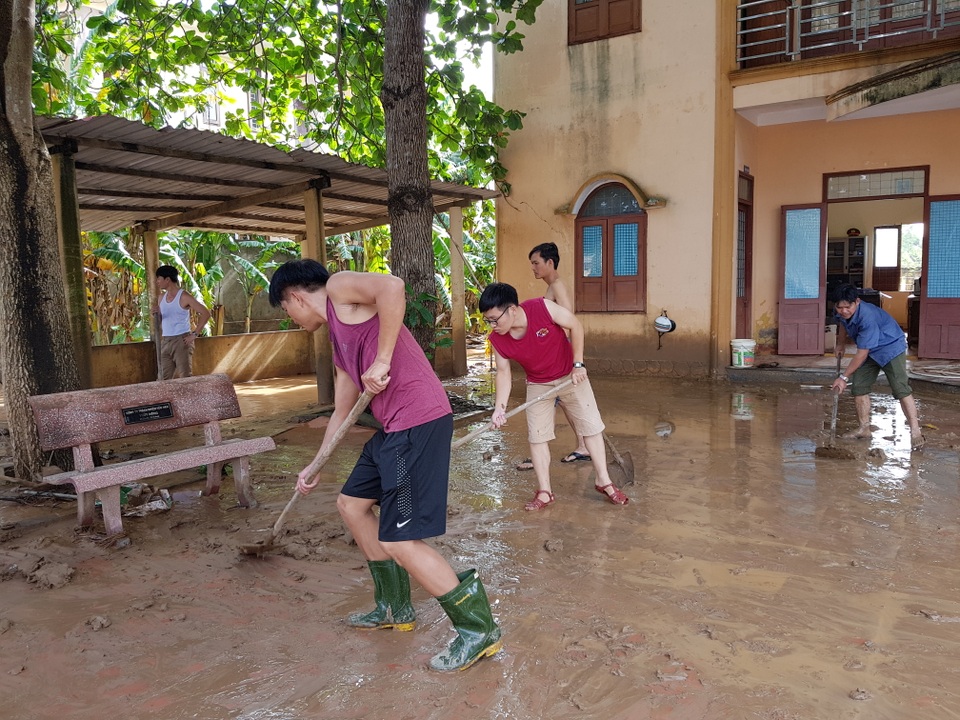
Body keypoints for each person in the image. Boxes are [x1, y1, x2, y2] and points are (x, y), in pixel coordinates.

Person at [268, 259, 502, 672]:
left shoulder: (340, 288)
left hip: (419, 421)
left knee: (400, 540)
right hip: (392, 430)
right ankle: (394, 608)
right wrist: (316, 463)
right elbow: (342, 412)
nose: (290, 316)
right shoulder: (339, 345)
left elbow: (393, 287)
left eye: (285, 309)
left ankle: (478, 631)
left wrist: (384, 358)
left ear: (296, 297)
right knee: (351, 504)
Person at [479, 282, 629, 510]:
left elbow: (576, 326)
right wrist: (499, 408)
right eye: (487, 320)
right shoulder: (498, 339)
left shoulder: (542, 308)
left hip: (571, 376)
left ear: (511, 309)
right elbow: (503, 373)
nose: (492, 325)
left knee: (591, 427)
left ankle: (603, 480)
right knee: (537, 436)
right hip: (538, 385)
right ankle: (545, 492)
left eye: (493, 319)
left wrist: (578, 364)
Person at [830, 283, 924, 449]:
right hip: (870, 349)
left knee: (900, 388)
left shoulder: (868, 317)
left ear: (857, 302)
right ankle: (864, 429)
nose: (844, 311)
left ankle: (915, 431)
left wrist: (843, 378)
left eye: (848, 307)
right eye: (840, 307)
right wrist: (840, 344)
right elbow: (842, 323)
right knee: (859, 387)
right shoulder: (842, 313)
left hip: (890, 347)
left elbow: (862, 353)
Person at [524, 242, 591, 467]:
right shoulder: (552, 285)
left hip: (561, 358)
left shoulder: (558, 286)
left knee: (560, 401)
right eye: (532, 263)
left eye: (536, 263)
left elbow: (569, 322)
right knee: (561, 402)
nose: (533, 268)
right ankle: (578, 446)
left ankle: (543, 453)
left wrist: (574, 362)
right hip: (557, 356)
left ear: (549, 263)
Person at [152, 265, 211, 380]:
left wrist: (194, 334)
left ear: (167, 279)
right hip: (166, 341)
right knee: (163, 378)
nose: (157, 282)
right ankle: (167, 398)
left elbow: (206, 313)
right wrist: (157, 314)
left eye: (159, 278)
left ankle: (188, 398)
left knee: (185, 377)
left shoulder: (184, 296)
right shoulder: (161, 298)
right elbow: (161, 321)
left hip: (181, 340)